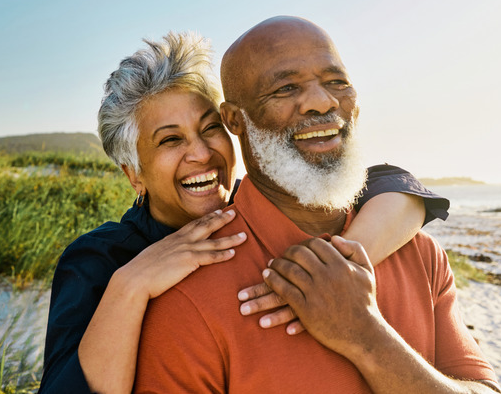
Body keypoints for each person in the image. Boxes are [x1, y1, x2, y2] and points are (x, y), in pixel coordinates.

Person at [40, 32, 449, 393]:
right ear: (134, 175)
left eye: (209, 128)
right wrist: (131, 285)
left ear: (233, 125)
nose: (201, 154)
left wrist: (339, 264)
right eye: (169, 141)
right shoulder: (100, 260)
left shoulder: (262, 204)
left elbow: (392, 183)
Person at [133, 17, 501, 393]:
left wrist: (366, 336)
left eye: (337, 82)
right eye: (286, 87)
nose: (322, 102)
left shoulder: (420, 255)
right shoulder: (186, 298)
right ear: (234, 119)